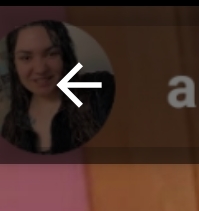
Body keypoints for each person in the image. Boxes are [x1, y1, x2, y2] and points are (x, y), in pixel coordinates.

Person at [2, 20, 115, 154]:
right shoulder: (10, 125)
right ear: (14, 65)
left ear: (65, 56)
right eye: (26, 58)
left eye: (51, 54)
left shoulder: (100, 91)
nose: (40, 69)